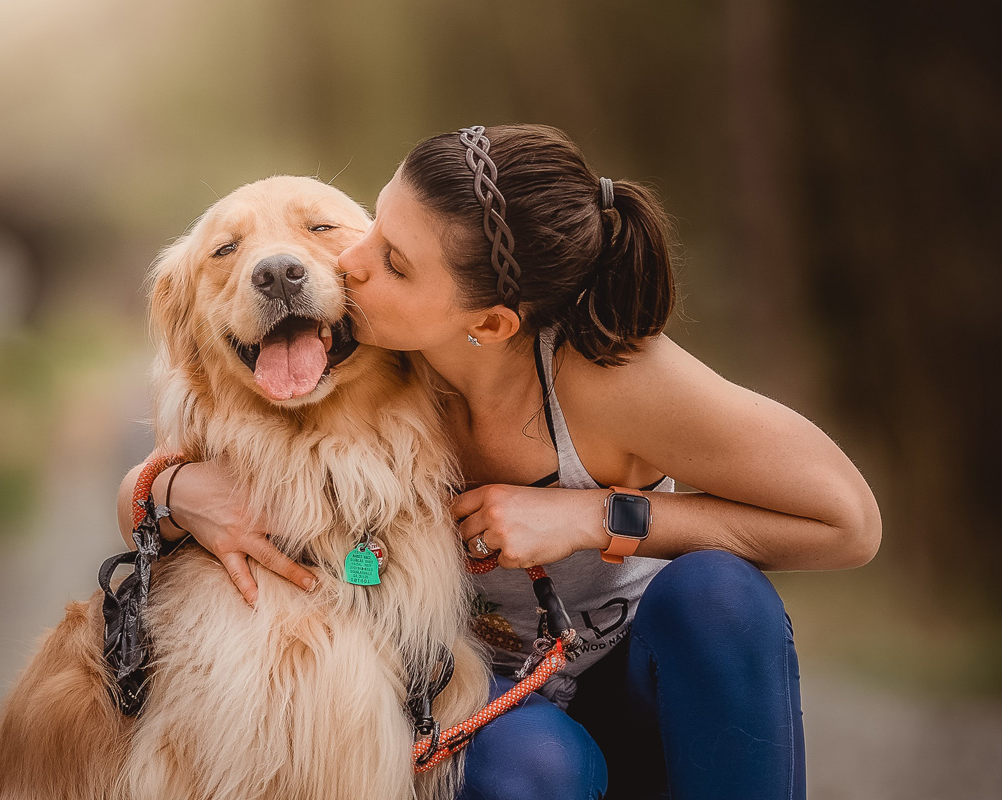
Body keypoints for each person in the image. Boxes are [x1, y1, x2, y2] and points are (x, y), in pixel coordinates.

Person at [116, 124, 881, 799]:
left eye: (393, 262)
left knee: (719, 592)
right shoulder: (370, 389)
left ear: (490, 321)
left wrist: (590, 516)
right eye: (373, 228)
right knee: (539, 766)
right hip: (491, 710)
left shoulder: (612, 376)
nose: (349, 263)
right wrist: (173, 488)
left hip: (644, 681)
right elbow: (167, 484)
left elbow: (847, 525)